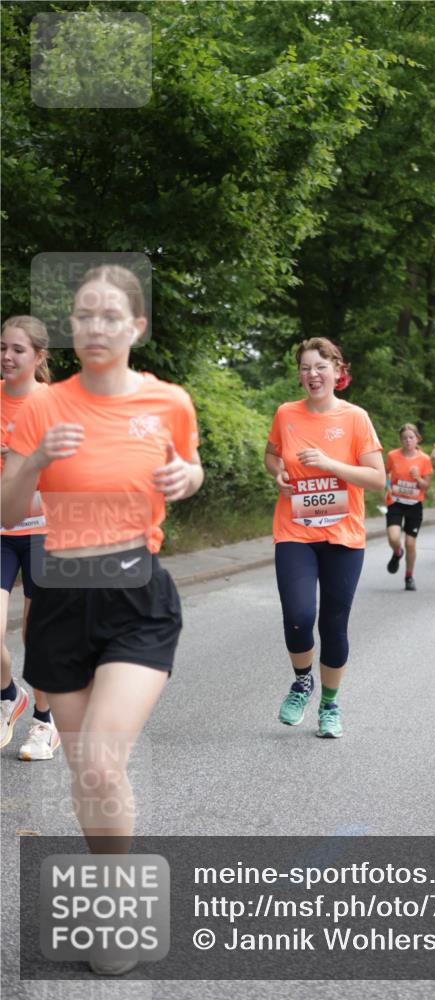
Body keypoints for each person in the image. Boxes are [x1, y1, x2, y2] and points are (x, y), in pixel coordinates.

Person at [2, 266, 203, 975]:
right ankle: (114, 882)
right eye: (82, 315)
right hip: (59, 598)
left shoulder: (168, 401)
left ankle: (115, 905)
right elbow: (4, 511)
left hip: (135, 597)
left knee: (99, 757)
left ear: (136, 327)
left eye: (109, 315)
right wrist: (33, 468)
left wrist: (188, 478)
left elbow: (188, 465)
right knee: (89, 777)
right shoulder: (41, 407)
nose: (93, 326)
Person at [265, 337, 384, 739]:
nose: (312, 375)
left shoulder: (355, 418)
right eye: (304, 368)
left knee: (334, 625)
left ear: (337, 370)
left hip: (342, 535)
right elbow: (272, 455)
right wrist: (278, 472)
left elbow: (376, 478)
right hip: (295, 530)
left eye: (320, 367)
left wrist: (331, 464)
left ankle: (330, 705)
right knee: (298, 617)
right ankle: (302, 682)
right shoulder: (286, 414)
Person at [1, 316, 61, 760]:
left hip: (45, 531)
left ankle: (44, 723)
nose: (7, 356)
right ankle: (9, 695)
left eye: (18, 350)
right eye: (2, 347)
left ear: (39, 356)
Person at [385, 424, 433, 590]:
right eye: (404, 438)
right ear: (401, 440)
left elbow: (426, 485)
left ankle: (409, 576)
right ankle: (397, 552)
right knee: (393, 538)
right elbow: (385, 473)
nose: (408, 441)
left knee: (410, 543)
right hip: (396, 502)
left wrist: (417, 478)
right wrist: (387, 486)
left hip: (414, 504)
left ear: (417, 438)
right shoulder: (392, 455)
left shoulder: (424, 459)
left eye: (411, 437)